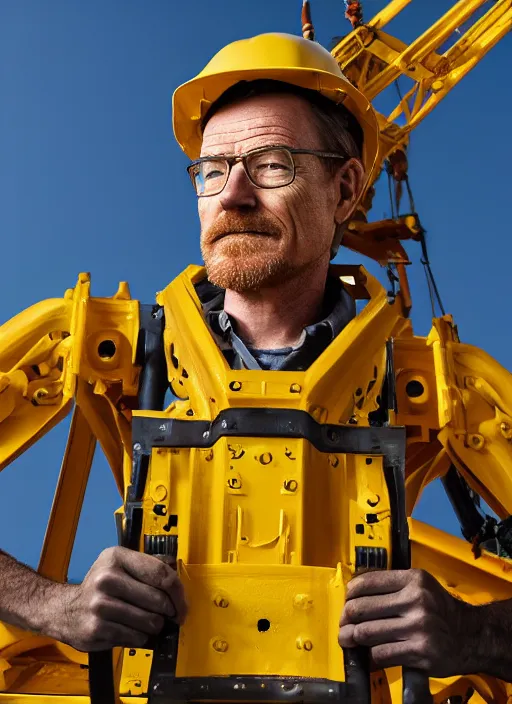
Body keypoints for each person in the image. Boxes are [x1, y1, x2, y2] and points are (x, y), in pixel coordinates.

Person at [0, 31, 511, 685]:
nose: (232, 196)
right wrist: (50, 603)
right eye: (212, 171)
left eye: (273, 164)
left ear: (346, 189)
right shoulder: (95, 343)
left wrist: (474, 634)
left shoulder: (444, 386)